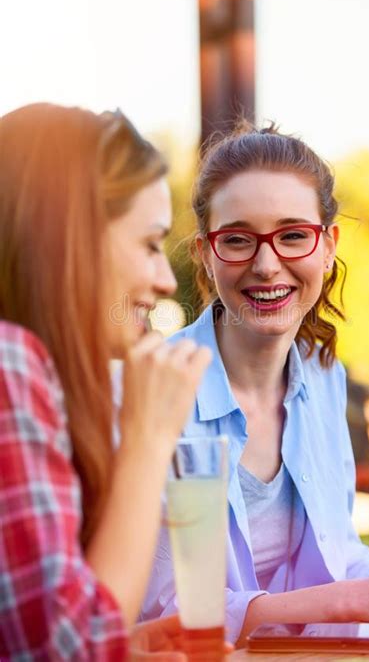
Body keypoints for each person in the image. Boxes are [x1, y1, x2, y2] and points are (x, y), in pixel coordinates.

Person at [141, 121, 369, 645]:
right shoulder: (150, 387)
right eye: (237, 239)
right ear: (206, 252)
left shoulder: (321, 376)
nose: (267, 264)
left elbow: (340, 560)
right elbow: (169, 614)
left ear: (327, 245)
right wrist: (355, 600)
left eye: (293, 234)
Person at [0, 103, 213, 660]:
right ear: (65, 237)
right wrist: (147, 439)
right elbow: (69, 650)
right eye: (149, 244)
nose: (167, 281)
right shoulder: (8, 364)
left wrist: (120, 640)